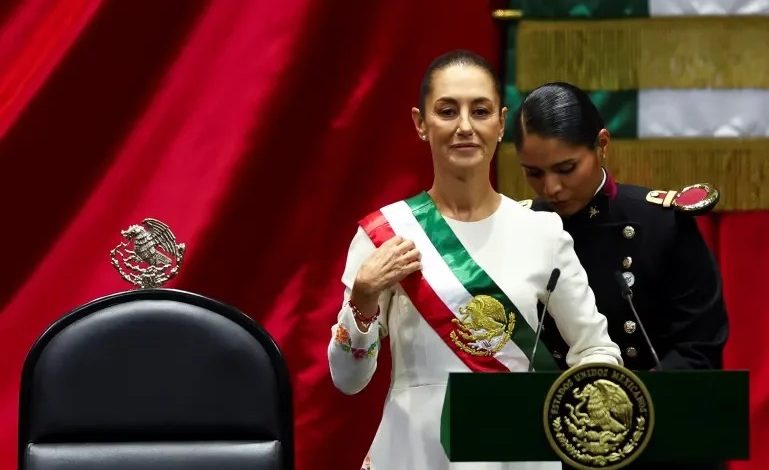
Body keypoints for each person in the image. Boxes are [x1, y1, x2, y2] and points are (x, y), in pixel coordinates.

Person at [327, 51, 622, 470]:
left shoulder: (543, 233)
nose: (465, 126)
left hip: (517, 450)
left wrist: (586, 418)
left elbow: (595, 350)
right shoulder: (386, 234)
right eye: (447, 111)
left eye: (479, 111)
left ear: (501, 124)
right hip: (416, 452)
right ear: (420, 123)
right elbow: (348, 380)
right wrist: (364, 295)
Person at [513, 82, 728, 468]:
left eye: (566, 168)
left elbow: (700, 350)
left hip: (656, 440)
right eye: (534, 173)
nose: (552, 188)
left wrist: (627, 401)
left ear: (602, 144)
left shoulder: (661, 223)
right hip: (551, 445)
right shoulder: (518, 229)